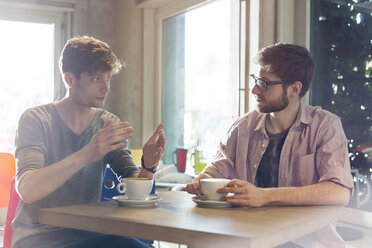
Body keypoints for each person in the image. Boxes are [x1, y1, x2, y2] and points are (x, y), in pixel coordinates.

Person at [186, 43, 353, 247]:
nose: (254, 89)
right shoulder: (242, 128)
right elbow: (219, 167)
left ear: (294, 89)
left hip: (305, 242)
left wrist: (265, 196)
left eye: (264, 83)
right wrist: (202, 179)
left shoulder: (325, 126)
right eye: (255, 80)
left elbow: (339, 191)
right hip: (249, 238)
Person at [12, 36, 166, 248]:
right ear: (69, 79)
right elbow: (27, 189)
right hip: (40, 240)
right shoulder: (37, 119)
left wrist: (148, 165)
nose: (106, 88)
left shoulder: (107, 123)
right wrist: (85, 154)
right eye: (96, 79)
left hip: (89, 236)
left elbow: (137, 192)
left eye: (108, 79)